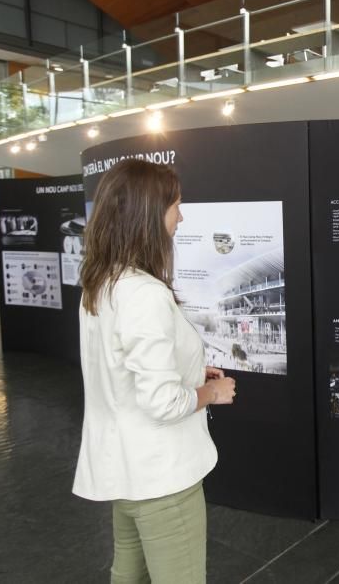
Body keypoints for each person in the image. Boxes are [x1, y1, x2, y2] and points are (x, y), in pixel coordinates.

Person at [72, 159, 236, 584]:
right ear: (149, 215)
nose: (181, 216)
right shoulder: (144, 293)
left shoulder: (101, 282)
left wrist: (192, 370)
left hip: (124, 470)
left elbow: (119, 368)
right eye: (176, 206)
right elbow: (162, 402)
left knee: (127, 572)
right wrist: (211, 394)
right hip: (161, 477)